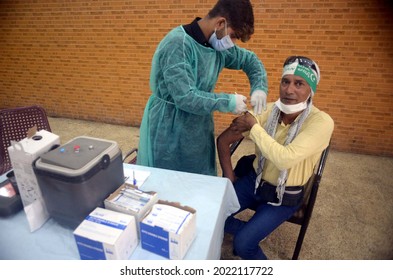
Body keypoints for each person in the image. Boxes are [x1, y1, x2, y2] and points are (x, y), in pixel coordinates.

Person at [217, 56, 334, 259]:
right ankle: (250, 230)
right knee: (211, 215)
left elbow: (285, 159)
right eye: (285, 81)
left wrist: (253, 127)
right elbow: (223, 140)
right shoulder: (268, 110)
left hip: (285, 194)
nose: (289, 90)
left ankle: (248, 236)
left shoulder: (321, 122)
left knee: (243, 245)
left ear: (310, 90)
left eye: (299, 84)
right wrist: (228, 176)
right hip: (255, 180)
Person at [137, 0, 268, 176]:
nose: (233, 43)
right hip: (169, 128)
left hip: (199, 127)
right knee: (168, 181)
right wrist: (227, 102)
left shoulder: (216, 45)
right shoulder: (178, 44)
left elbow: (250, 61)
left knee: (199, 179)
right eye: (234, 36)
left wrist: (259, 87)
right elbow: (185, 97)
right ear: (220, 23)